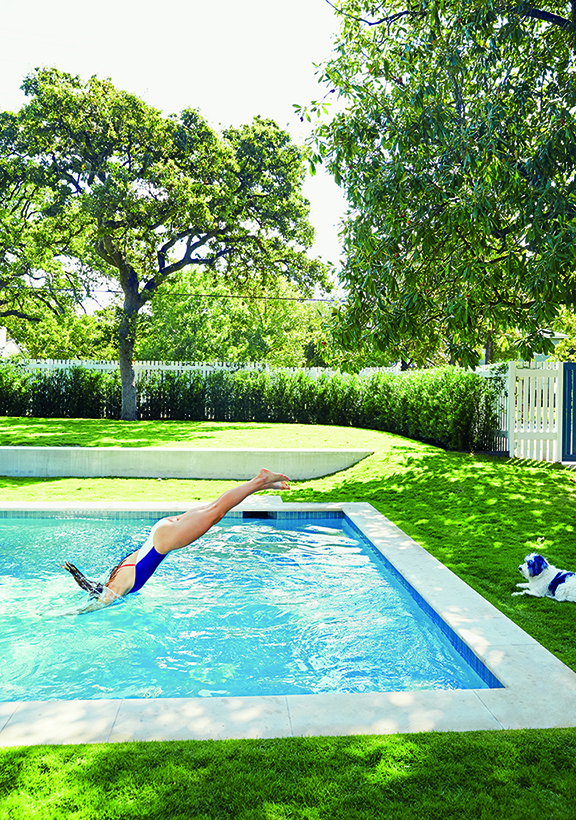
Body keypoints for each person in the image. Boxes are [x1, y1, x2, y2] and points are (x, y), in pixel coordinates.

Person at [63, 468, 290, 611]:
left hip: (166, 539)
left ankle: (260, 480)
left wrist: (65, 616)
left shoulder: (116, 587)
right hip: (161, 530)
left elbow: (97, 606)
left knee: (217, 512)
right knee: (213, 508)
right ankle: (264, 483)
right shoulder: (116, 573)